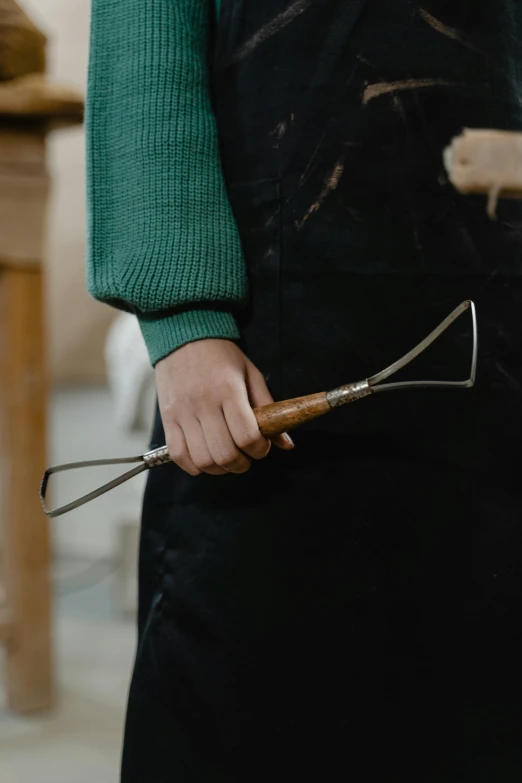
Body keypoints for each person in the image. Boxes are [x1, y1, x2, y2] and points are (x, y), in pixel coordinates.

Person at [86, 2, 522, 780]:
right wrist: (184, 315)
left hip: (499, 316)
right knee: (250, 695)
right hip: (273, 332)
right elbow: (146, 28)